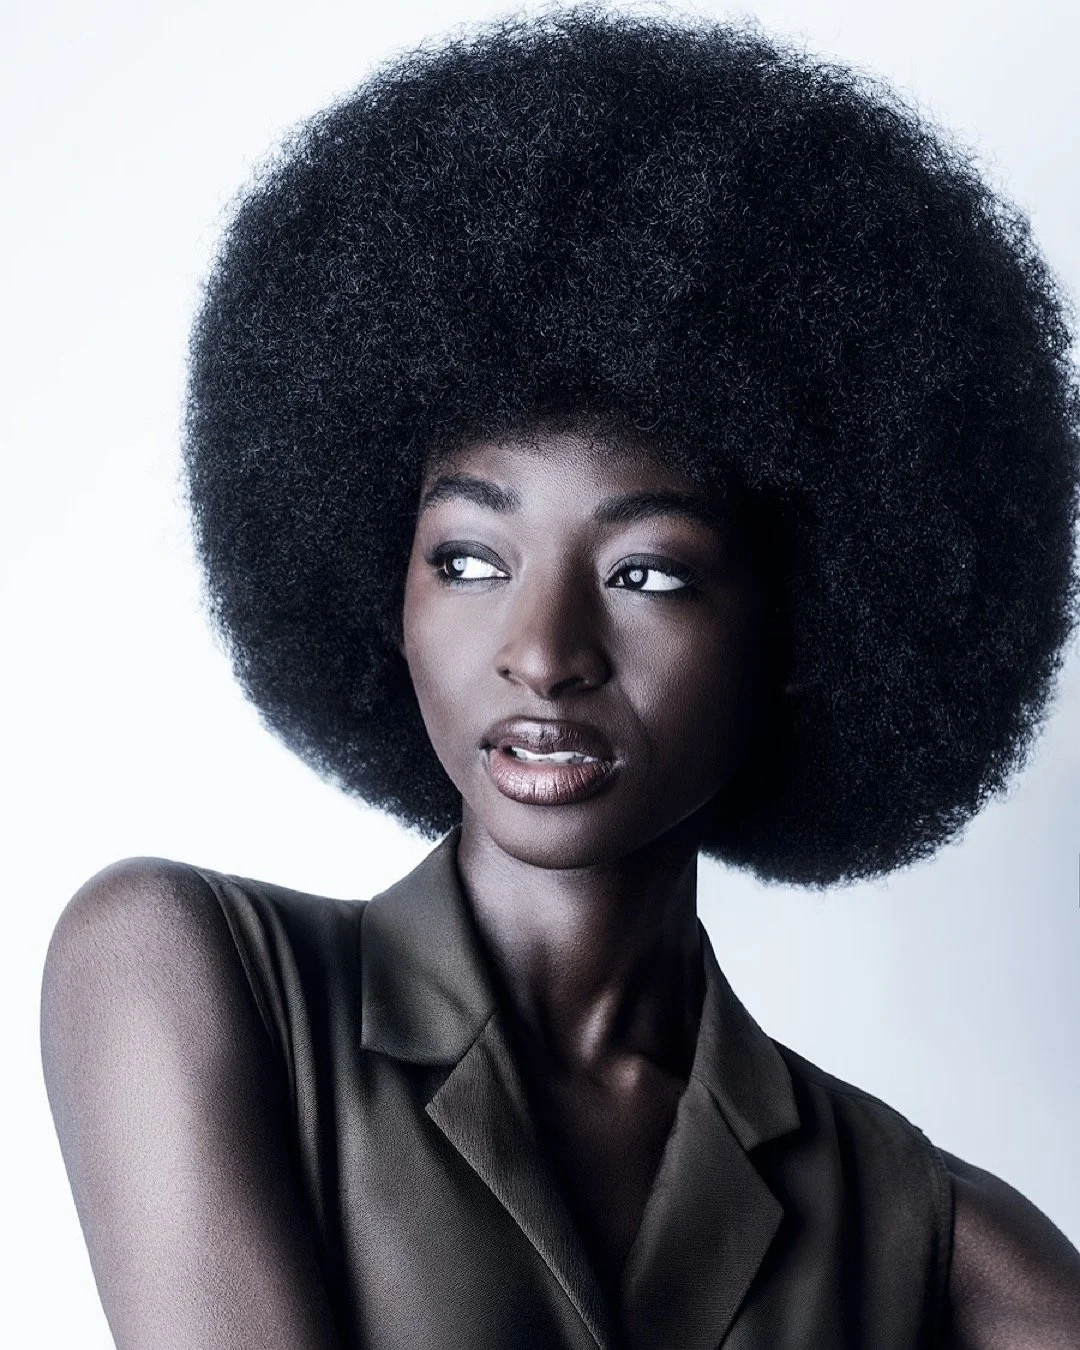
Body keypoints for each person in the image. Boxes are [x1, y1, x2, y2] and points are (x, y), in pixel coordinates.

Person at [40, 7, 1080, 1348]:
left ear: (807, 630)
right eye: (470, 558)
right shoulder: (189, 973)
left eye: (648, 573)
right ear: (387, 585)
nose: (541, 650)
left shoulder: (918, 1223)